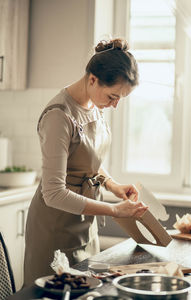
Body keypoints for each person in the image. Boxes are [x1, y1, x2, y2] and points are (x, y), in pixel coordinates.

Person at [23, 38, 148, 286]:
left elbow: (85, 162)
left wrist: (112, 186)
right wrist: (114, 210)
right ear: (92, 79)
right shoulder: (59, 115)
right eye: (113, 96)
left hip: (85, 224)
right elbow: (54, 193)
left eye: (120, 99)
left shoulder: (94, 105)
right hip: (54, 229)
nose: (114, 105)